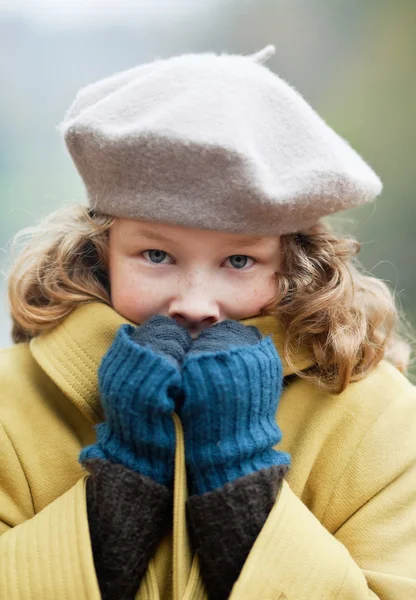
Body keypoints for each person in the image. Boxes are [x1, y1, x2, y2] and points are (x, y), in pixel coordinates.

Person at [0, 44, 415, 600]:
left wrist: (240, 479)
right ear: (101, 250)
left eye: (238, 261)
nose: (195, 303)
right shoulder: (10, 405)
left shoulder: (378, 418)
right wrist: (122, 485)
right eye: (156, 255)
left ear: (296, 264)